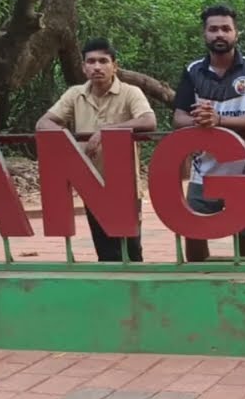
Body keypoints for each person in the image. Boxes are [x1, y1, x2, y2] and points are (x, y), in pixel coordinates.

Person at [37, 38, 156, 262]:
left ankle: (133, 295)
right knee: (105, 251)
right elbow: (44, 123)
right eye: (91, 62)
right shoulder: (75, 94)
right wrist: (70, 144)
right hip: (90, 183)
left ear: (115, 65)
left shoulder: (130, 92)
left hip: (124, 185)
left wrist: (107, 131)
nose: (97, 67)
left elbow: (149, 121)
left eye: (103, 61)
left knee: (130, 250)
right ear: (83, 67)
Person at [173, 5, 245, 262]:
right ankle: (197, 289)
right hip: (204, 170)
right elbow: (178, 117)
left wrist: (217, 120)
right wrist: (200, 123)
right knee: (193, 236)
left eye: (226, 29)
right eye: (213, 29)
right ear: (204, 34)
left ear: (236, 34)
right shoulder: (192, 71)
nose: (220, 34)